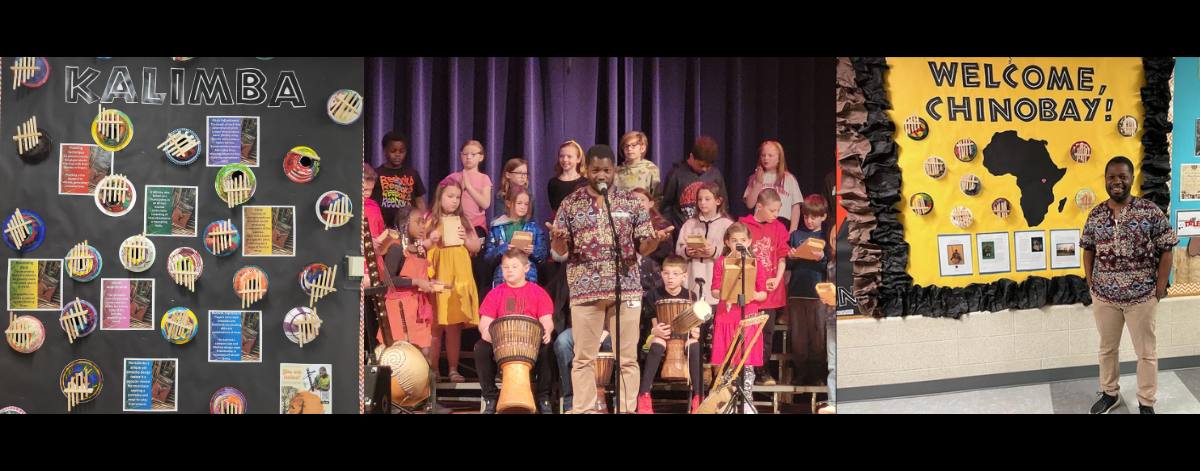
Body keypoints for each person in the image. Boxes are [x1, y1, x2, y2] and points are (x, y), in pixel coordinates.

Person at [547, 144, 673, 413]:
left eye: (606, 170)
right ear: (586, 170)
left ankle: (627, 409)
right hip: (585, 290)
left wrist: (653, 241)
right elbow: (560, 252)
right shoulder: (570, 203)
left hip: (625, 289)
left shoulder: (630, 202)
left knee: (627, 358)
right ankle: (582, 409)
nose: (601, 175)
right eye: (595, 170)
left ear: (614, 169)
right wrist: (558, 241)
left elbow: (643, 248)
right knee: (583, 358)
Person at [1083, 156, 1177, 414]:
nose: (1117, 182)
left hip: (1141, 297)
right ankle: (1109, 394)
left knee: (1146, 353)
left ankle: (1146, 402)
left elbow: (1167, 248)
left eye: (1122, 176)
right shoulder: (1096, 214)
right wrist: (1092, 283)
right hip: (1105, 297)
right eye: (1112, 177)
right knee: (1107, 349)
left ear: (1131, 179)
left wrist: (1159, 288)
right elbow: (1088, 249)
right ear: (1105, 180)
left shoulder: (1149, 211)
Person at [473, 249, 556, 414]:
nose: (509, 270)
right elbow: (485, 323)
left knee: (549, 347)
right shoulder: (495, 293)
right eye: (505, 267)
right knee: (481, 348)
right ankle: (490, 396)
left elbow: (547, 320)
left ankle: (543, 398)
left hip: (530, 345)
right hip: (502, 346)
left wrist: (547, 330)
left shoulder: (538, 292)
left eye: (514, 267)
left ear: (526, 268)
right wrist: (486, 332)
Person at [425, 181, 483, 383]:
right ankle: (433, 370)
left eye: (457, 197)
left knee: (454, 325)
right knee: (435, 325)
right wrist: (431, 240)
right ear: (440, 196)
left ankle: (452, 368)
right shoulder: (430, 219)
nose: (454, 200)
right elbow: (419, 245)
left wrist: (465, 240)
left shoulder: (463, 221)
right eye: (450, 196)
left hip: (459, 277)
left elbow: (476, 245)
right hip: (438, 276)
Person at [710, 222, 767, 413]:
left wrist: (753, 295)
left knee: (746, 360)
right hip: (727, 316)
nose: (738, 244)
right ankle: (727, 402)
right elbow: (715, 290)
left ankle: (747, 400)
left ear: (749, 241)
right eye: (734, 240)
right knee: (728, 361)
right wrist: (726, 293)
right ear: (727, 242)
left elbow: (763, 293)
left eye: (743, 240)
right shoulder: (721, 262)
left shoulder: (755, 262)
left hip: (748, 315)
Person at [637, 256, 704, 414]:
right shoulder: (654, 295)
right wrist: (656, 332)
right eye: (666, 273)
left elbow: (694, 324)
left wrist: (695, 332)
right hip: (662, 334)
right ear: (661, 274)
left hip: (684, 336)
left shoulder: (691, 295)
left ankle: (698, 397)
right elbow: (654, 326)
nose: (670, 278)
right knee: (657, 344)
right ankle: (644, 395)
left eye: (675, 274)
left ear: (684, 276)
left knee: (695, 346)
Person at [738, 188, 790, 385]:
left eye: (778, 210)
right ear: (759, 206)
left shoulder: (778, 228)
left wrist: (777, 279)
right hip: (750, 291)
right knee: (749, 332)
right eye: (772, 211)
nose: (776, 215)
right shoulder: (744, 225)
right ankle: (745, 370)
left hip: (770, 291)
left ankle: (763, 370)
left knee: (767, 333)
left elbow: (782, 257)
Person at [785, 195, 830, 387]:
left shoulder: (825, 238)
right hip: (796, 293)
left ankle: (817, 374)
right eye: (806, 216)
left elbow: (829, 267)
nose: (809, 220)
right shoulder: (796, 236)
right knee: (798, 338)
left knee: (818, 337)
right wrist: (792, 256)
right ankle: (800, 373)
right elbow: (788, 264)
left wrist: (821, 258)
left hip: (817, 295)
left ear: (823, 217)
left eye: (813, 217)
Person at [660, 135, 727, 234]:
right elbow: (666, 206)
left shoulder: (715, 175)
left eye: (708, 166)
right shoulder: (676, 174)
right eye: (701, 165)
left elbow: (723, 205)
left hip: (709, 232)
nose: (704, 169)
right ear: (691, 157)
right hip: (682, 232)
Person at [483, 185, 548, 287]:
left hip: (528, 277)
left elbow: (543, 256)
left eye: (526, 204)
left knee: (525, 303)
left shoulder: (534, 228)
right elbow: (488, 258)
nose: (523, 207)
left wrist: (533, 251)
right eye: (519, 203)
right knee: (508, 303)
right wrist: (504, 248)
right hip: (503, 278)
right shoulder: (497, 227)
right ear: (508, 203)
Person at [743, 140, 803, 231]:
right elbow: (750, 204)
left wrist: (792, 231)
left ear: (779, 158)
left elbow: (795, 207)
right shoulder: (755, 178)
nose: (766, 158)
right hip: (762, 224)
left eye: (770, 155)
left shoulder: (789, 178)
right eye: (763, 155)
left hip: (782, 224)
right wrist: (758, 183)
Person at [371, 132, 427, 228]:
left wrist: (423, 220)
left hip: (408, 226)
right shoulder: (376, 174)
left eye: (402, 151)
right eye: (393, 151)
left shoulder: (412, 173)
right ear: (385, 151)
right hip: (384, 226)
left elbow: (420, 201)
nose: (398, 154)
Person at [442, 140, 493, 234]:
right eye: (465, 154)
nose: (468, 157)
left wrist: (469, 187)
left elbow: (485, 204)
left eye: (473, 154)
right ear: (461, 156)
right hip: (456, 224)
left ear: (481, 157)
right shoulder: (453, 177)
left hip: (477, 226)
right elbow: (440, 198)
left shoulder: (484, 178)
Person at [546, 140, 588, 215]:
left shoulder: (586, 183)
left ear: (578, 159)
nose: (565, 159)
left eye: (569, 156)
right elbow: (554, 208)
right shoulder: (553, 183)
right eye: (561, 156)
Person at [616, 131, 660, 200]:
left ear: (642, 148)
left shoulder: (651, 169)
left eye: (633, 145)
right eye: (626, 146)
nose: (629, 149)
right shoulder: (617, 170)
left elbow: (657, 197)